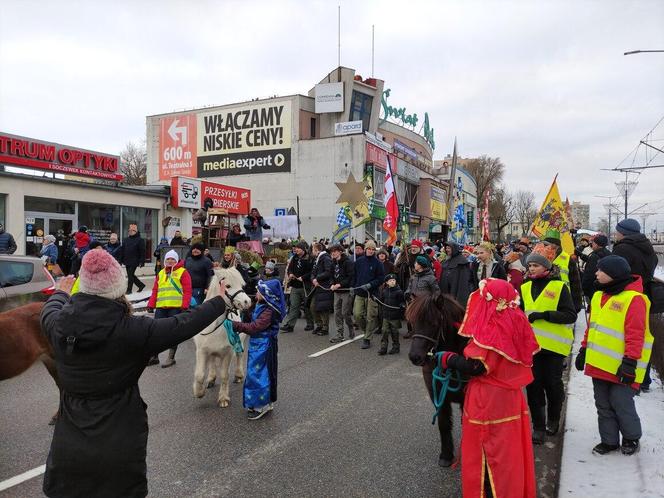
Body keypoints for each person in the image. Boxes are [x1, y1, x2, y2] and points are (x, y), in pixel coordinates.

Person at [39, 249, 228, 498]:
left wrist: (62, 291)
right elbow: (182, 325)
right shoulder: (136, 330)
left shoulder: (57, 324)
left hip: (68, 451)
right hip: (119, 447)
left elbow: (49, 309)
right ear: (118, 288)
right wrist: (219, 301)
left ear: (83, 286)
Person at [438, 278, 539, 498]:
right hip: (510, 396)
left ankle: (489, 490)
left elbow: (478, 366)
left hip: (489, 399)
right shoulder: (514, 316)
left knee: (489, 448)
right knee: (508, 449)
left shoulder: (494, 325)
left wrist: (449, 359)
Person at [575, 255, 653, 456]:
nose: (596, 273)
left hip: (623, 367)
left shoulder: (634, 299)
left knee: (621, 403)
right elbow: (592, 328)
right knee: (602, 404)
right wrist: (584, 350)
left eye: (601, 270)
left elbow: (636, 335)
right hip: (599, 364)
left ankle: (631, 437)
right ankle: (609, 440)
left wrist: (630, 363)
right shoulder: (598, 295)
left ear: (614, 274)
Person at [520, 253, 577, 444]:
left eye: (536, 265)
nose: (532, 269)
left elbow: (570, 315)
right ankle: (538, 426)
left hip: (554, 347)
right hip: (531, 348)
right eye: (529, 266)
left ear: (546, 267)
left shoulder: (559, 286)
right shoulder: (525, 287)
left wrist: (544, 315)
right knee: (533, 386)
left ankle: (553, 419)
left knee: (552, 385)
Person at [230, 279, 285, 420]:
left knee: (260, 375)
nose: (256, 294)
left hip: (265, 346)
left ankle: (261, 405)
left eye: (259, 292)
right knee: (256, 373)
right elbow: (250, 319)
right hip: (257, 346)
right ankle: (266, 401)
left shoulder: (270, 310)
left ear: (267, 295)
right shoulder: (260, 304)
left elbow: (256, 327)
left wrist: (236, 326)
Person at [146, 250, 192, 368]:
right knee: (156, 332)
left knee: (173, 333)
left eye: (172, 259)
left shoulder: (183, 272)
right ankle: (154, 356)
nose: (170, 261)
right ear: (164, 261)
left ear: (176, 260)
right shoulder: (161, 273)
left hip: (176, 307)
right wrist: (151, 304)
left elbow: (187, 291)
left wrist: (185, 306)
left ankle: (171, 357)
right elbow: (155, 290)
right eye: (168, 259)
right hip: (161, 307)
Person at [541, 229, 583, 312]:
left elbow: (575, 283)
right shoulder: (540, 257)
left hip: (564, 300)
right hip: (544, 299)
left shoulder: (568, 259)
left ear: (555, 245)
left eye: (547, 245)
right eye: (544, 245)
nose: (545, 247)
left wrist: (577, 304)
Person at [353, 240, 384, 349]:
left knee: (371, 316)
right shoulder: (359, 261)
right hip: (359, 293)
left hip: (372, 294)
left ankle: (367, 338)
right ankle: (367, 329)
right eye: (369, 249)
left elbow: (381, 278)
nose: (370, 251)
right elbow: (354, 275)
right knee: (357, 315)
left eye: (372, 249)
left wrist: (371, 285)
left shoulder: (378, 263)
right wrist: (353, 286)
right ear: (365, 249)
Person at [281, 242, 314, 332]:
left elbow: (312, 271)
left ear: (303, 249)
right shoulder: (294, 257)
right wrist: (290, 273)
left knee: (307, 306)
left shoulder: (309, 258)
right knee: (293, 306)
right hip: (295, 285)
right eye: (296, 248)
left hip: (305, 286)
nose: (296, 250)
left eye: (298, 248)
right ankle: (290, 325)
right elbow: (290, 268)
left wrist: (303, 277)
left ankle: (310, 323)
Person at [329, 244, 355, 343]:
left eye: (335, 251)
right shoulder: (333, 263)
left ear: (340, 251)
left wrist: (340, 284)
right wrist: (332, 284)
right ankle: (339, 334)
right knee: (337, 313)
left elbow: (350, 276)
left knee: (345, 313)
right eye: (331, 252)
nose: (333, 253)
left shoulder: (348, 262)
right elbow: (331, 276)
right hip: (336, 292)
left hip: (346, 291)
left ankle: (350, 327)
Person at [439, 241, 476, 306]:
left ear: (454, 248)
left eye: (449, 248)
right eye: (446, 248)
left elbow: (463, 280)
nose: (447, 250)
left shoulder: (462, 261)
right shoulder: (447, 260)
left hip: (456, 291)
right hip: (446, 292)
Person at [309, 242, 334, 336]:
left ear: (316, 250)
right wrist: (313, 279)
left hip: (324, 286)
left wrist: (317, 278)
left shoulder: (326, 258)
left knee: (323, 308)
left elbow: (328, 272)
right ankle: (319, 324)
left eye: (312, 250)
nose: (312, 252)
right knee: (313, 306)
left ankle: (325, 327)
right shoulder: (317, 259)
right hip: (317, 286)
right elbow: (313, 272)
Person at [378, 273, 405, 355]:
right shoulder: (384, 291)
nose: (392, 282)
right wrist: (377, 300)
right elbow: (381, 301)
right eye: (390, 281)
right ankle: (383, 348)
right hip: (386, 315)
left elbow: (402, 302)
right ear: (387, 282)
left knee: (394, 332)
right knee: (385, 331)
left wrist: (402, 305)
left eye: (394, 280)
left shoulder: (399, 292)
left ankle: (396, 347)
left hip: (395, 316)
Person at [581, 234, 611, 303]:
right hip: (606, 287)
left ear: (598, 244)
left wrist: (584, 288)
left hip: (594, 288)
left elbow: (590, 274)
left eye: (593, 243)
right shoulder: (609, 254)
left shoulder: (595, 256)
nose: (592, 245)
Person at [185, 242, 214, 308]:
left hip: (199, 289)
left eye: (198, 249)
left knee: (197, 308)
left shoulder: (207, 261)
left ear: (202, 251)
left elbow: (210, 275)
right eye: (193, 249)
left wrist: (207, 287)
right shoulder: (188, 260)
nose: (195, 250)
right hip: (187, 289)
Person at [119, 224, 146, 294]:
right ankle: (141, 285)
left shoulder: (140, 240)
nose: (130, 232)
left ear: (136, 231)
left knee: (130, 275)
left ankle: (129, 290)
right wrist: (120, 260)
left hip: (135, 260)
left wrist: (141, 261)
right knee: (130, 275)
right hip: (127, 260)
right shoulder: (126, 240)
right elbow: (122, 250)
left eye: (132, 230)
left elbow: (142, 251)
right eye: (129, 231)